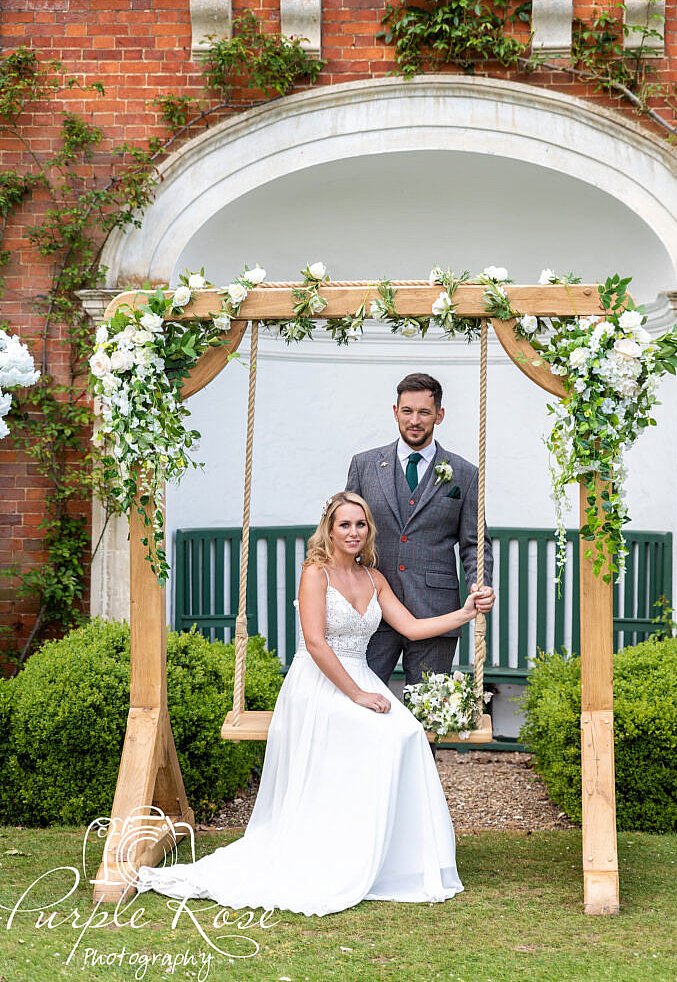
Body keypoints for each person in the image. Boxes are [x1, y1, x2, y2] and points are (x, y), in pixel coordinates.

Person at [137, 492, 487, 916]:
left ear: (368, 530)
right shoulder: (314, 573)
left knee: (407, 733)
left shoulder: (374, 578)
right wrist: (356, 695)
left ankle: (397, 859)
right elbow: (317, 644)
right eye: (345, 525)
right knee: (376, 733)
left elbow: (412, 628)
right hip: (319, 682)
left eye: (361, 525)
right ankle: (342, 848)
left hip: (359, 674)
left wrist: (465, 612)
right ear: (330, 529)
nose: (354, 533)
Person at [346, 372, 495, 687]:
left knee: (428, 710)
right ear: (395, 411)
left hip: (435, 611)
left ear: (439, 415)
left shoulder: (465, 474)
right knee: (361, 703)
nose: (415, 420)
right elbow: (346, 535)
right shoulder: (364, 466)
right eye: (407, 411)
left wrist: (480, 585)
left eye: (424, 412)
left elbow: (475, 543)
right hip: (373, 609)